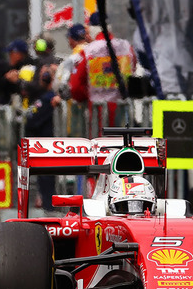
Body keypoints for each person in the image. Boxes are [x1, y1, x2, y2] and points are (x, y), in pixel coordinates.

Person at [69, 19, 136, 124]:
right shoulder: (127, 48)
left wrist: (87, 97)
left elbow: (76, 87)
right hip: (124, 114)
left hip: (98, 115)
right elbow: (133, 72)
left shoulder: (88, 52)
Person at [24, 64, 62, 211]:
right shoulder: (48, 97)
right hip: (51, 145)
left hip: (48, 146)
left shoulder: (48, 99)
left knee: (47, 178)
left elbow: (31, 121)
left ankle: (50, 209)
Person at [54, 23, 90, 98]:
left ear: (71, 39)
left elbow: (61, 83)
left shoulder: (73, 58)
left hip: (78, 99)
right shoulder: (93, 50)